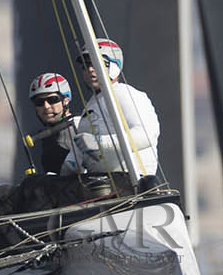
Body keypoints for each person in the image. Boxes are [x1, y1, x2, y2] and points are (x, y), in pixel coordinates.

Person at [60, 38, 160, 189]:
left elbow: (147, 134)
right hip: (100, 184)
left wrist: (100, 142)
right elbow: (85, 143)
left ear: (114, 67)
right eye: (86, 66)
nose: (90, 70)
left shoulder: (124, 93)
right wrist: (72, 161)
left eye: (97, 63)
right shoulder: (93, 103)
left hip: (130, 181)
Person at [25, 72, 79, 175]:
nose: (46, 106)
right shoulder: (45, 134)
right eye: (39, 102)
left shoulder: (77, 126)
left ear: (66, 100)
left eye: (52, 100)